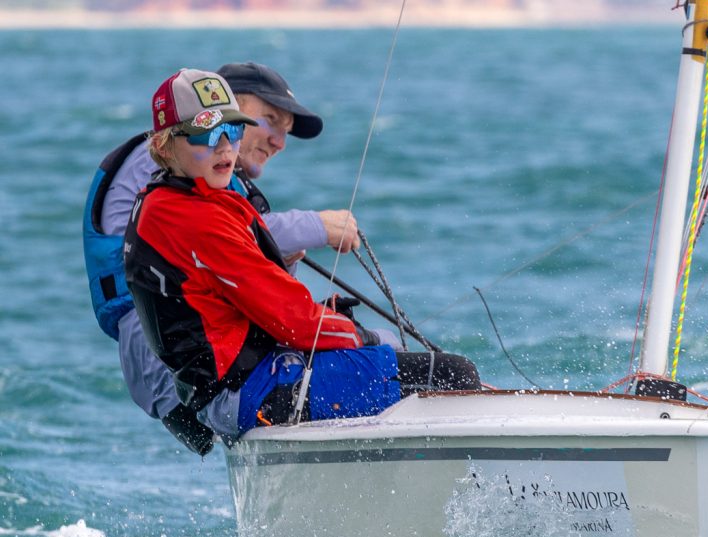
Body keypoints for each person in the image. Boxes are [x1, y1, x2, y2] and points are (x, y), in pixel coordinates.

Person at [123, 68, 480, 446]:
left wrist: (334, 323)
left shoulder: (166, 200)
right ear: (164, 145)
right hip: (251, 393)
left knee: (390, 353)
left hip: (233, 390)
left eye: (232, 130)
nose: (225, 147)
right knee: (455, 374)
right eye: (207, 134)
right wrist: (360, 335)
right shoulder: (197, 219)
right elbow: (295, 322)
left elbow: (236, 308)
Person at [83, 63, 371, 455]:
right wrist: (318, 226)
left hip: (199, 345)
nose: (279, 141)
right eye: (270, 120)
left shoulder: (207, 173)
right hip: (163, 351)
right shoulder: (168, 160)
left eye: (286, 131)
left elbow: (237, 264)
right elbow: (204, 237)